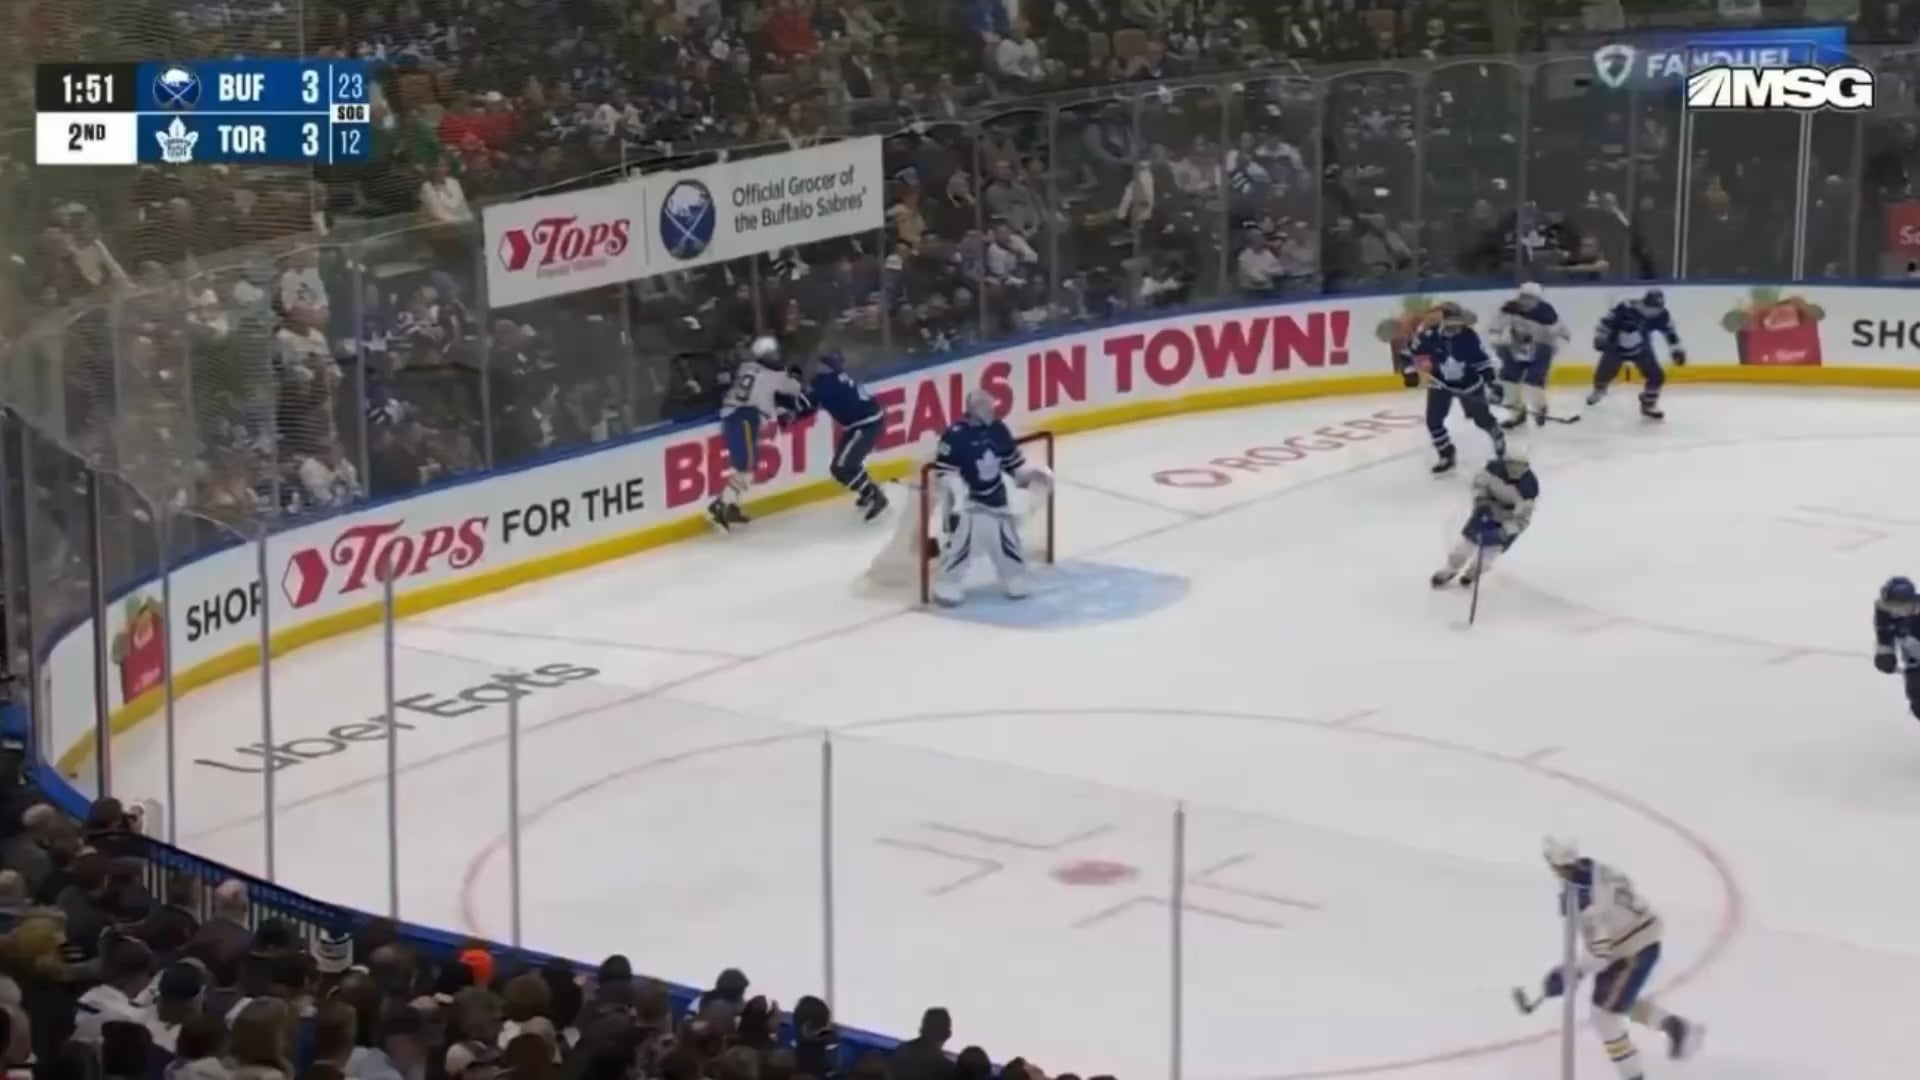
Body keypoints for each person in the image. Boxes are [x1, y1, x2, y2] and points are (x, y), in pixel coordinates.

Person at [1520, 839, 1704, 1079]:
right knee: (1614, 1002)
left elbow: (1600, 952)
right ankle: (1676, 1028)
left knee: (1605, 1018)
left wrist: (1572, 973)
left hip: (1633, 951)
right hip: (1634, 940)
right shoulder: (1594, 869)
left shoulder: (1587, 902)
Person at [928, 391, 1052, 605]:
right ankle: (946, 585)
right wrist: (958, 492)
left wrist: (1032, 474)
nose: (991, 411)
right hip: (969, 504)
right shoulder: (954, 436)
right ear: (974, 410)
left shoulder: (998, 430)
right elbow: (944, 472)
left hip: (996, 500)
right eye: (986, 408)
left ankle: (1014, 577)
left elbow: (1013, 465)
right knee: (961, 547)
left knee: (1006, 544)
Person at [1400, 302, 1505, 474]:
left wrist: (1491, 381)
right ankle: (1446, 453)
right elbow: (1408, 353)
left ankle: (1497, 435)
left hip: (1468, 385)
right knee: (1433, 421)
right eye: (1451, 324)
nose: (1455, 328)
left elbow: (1482, 362)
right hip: (1440, 384)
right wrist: (1409, 371)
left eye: (1458, 324)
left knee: (1481, 419)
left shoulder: (1469, 337)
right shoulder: (1428, 335)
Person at [709, 337, 800, 531]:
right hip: (745, 417)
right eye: (773, 353)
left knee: (744, 466)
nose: (777, 356)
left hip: (734, 415)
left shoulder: (746, 367)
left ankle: (731, 506)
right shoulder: (775, 374)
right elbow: (794, 389)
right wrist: (795, 377)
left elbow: (760, 392)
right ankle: (721, 504)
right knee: (748, 468)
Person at [784, 352, 886, 519]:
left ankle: (875, 496)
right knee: (846, 464)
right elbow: (812, 404)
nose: (815, 368)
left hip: (865, 425)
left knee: (841, 467)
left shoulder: (824, 384)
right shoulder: (834, 378)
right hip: (862, 423)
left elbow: (801, 405)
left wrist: (782, 399)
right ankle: (868, 492)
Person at [1431, 444, 1536, 588]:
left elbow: (1522, 520)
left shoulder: (1529, 488)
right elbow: (1479, 484)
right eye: (1512, 464)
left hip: (1506, 521)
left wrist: (1503, 532)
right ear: (1505, 462)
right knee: (1464, 546)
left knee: (1487, 558)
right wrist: (1481, 500)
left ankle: (1472, 573)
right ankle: (1449, 570)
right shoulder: (1492, 469)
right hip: (1485, 511)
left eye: (1521, 466)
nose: (1516, 470)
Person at [1589, 289, 1686, 420]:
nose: (1654, 312)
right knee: (1604, 372)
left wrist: (1677, 350)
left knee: (1657, 376)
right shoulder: (1625, 308)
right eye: (1651, 308)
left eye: (1657, 309)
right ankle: (1599, 389)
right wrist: (1600, 337)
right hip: (1615, 346)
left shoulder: (1662, 315)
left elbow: (1670, 333)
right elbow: (1606, 322)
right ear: (1644, 303)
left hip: (1641, 347)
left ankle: (1648, 404)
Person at [1491, 282, 1568, 428]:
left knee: (1533, 380)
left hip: (1540, 349)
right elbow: (1495, 329)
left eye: (1531, 299)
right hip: (1514, 347)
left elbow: (1563, 335)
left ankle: (1540, 407)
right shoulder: (1508, 309)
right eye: (1523, 297)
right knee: (1509, 379)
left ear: (1538, 300)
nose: (1526, 302)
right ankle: (1517, 413)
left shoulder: (1548, 315)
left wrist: (1550, 350)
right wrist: (1500, 344)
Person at [1873, 576, 1920, 720]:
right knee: (1917, 699)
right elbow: (1884, 637)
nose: (1892, 610)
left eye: (1897, 606)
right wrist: (1885, 655)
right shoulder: (1884, 613)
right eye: (1889, 605)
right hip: (1914, 662)